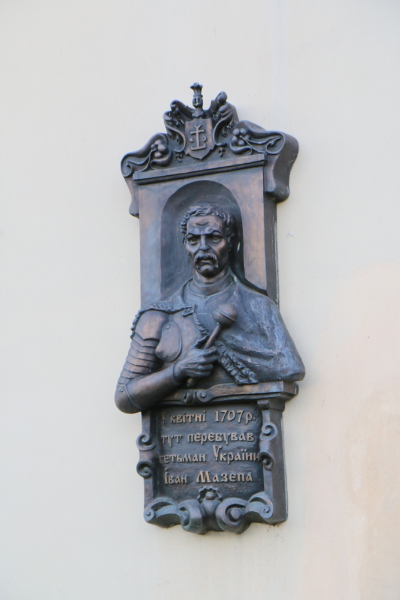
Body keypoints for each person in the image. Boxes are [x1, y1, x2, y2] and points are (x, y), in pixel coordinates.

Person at [115, 204, 305, 414]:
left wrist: (230, 342)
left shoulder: (259, 306)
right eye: (193, 240)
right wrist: (178, 371)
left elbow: (290, 367)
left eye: (214, 238)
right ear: (185, 245)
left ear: (229, 242)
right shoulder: (159, 315)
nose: (203, 247)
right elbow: (125, 396)